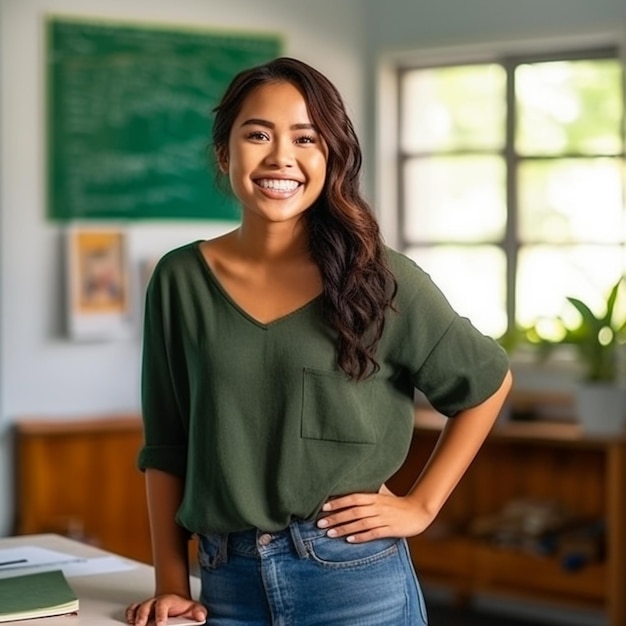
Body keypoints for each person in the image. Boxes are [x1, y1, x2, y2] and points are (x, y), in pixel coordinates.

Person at [125, 56, 512, 626]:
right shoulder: (180, 279)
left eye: (306, 138)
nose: (281, 156)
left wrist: (421, 505)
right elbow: (167, 445)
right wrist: (171, 583)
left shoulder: (382, 279)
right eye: (258, 134)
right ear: (224, 152)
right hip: (225, 586)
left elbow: (486, 383)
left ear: (329, 156)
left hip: (356, 582)